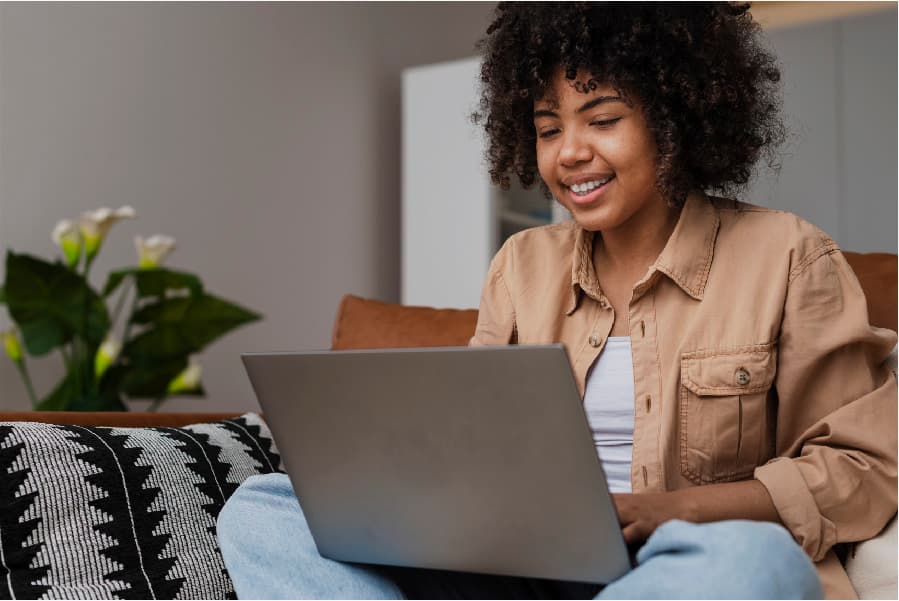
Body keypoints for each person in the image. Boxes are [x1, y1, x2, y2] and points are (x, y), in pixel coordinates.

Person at [217, 3, 897, 599]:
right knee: (263, 507)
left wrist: (672, 510)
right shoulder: (520, 265)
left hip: (688, 560)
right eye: (547, 129)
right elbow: (468, 442)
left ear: (675, 121)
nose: (569, 152)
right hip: (522, 569)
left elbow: (859, 470)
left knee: (753, 561)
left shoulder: (787, 255)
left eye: (601, 119)